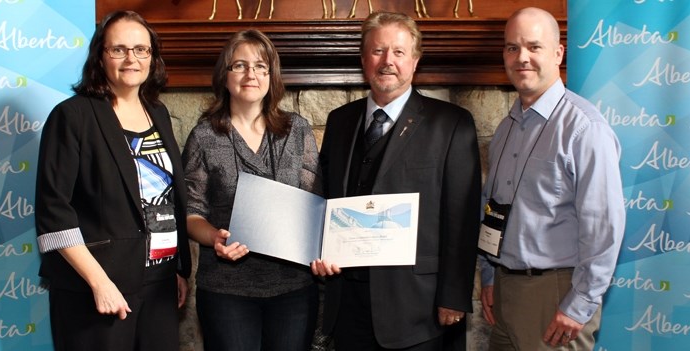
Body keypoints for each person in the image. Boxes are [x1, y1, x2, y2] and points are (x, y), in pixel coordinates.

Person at [311, 11, 482, 350]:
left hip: (419, 308)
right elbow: (325, 198)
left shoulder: (452, 125)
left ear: (415, 61)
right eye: (378, 51)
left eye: (399, 52)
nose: (388, 61)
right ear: (363, 60)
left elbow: (461, 217)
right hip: (348, 304)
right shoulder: (340, 121)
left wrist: (454, 295)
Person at [34, 10, 191, 351]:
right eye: (118, 49)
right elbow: (53, 211)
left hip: (160, 284)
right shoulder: (73, 116)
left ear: (153, 57)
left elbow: (168, 199)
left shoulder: (158, 113)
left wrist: (176, 269)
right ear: (100, 56)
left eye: (141, 49)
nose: (131, 58)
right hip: (99, 288)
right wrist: (99, 282)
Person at [477, 7, 625, 350]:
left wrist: (579, 306)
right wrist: (489, 276)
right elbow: (494, 209)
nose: (521, 57)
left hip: (556, 296)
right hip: (504, 290)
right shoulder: (505, 129)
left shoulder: (585, 128)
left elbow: (604, 227)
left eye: (534, 46)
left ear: (558, 53)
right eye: (512, 48)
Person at [182, 29, 322, 351]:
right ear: (225, 75)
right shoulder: (204, 135)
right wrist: (215, 237)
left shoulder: (296, 129)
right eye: (240, 65)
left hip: (294, 290)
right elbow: (191, 214)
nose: (251, 74)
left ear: (271, 76)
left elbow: (315, 204)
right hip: (226, 290)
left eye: (261, 66)